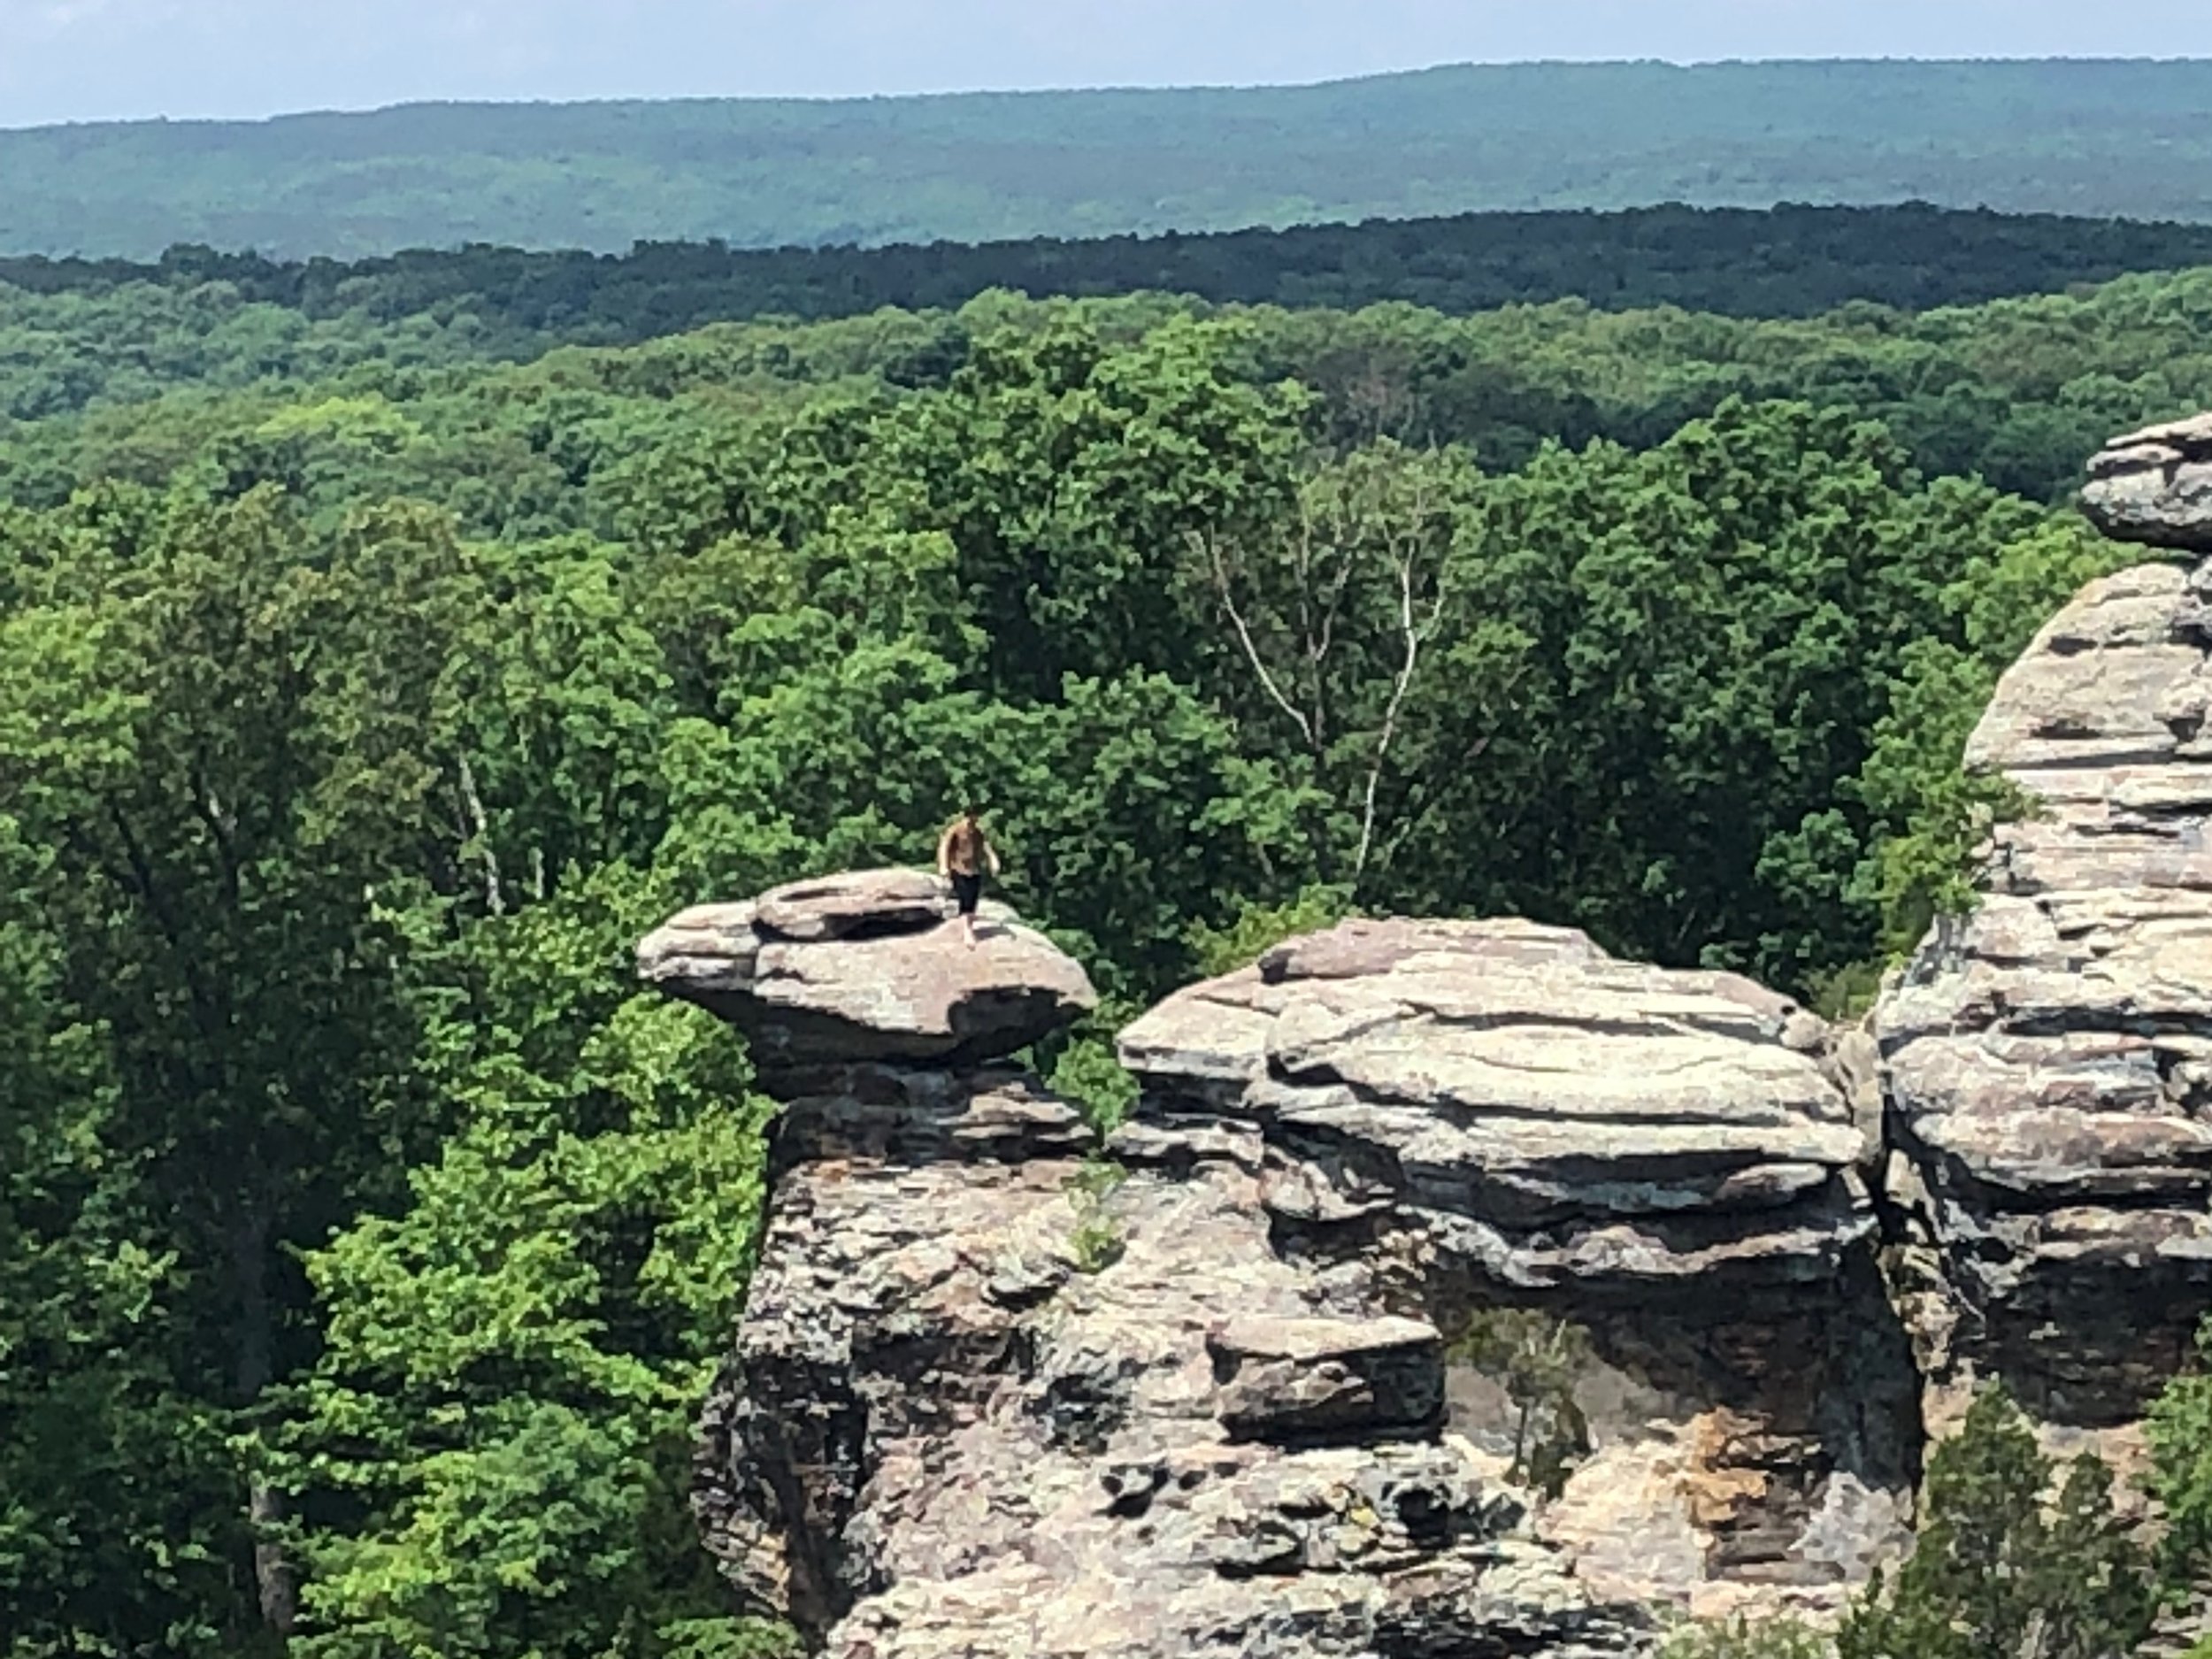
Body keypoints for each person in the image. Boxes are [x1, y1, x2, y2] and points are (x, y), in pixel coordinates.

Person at [934, 805, 1001, 945]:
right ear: (966, 816)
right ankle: (967, 931)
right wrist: (943, 865)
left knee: (972, 899)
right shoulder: (955, 830)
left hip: (974, 869)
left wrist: (993, 860)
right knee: (964, 897)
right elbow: (944, 846)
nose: (973, 820)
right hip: (958, 868)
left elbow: (985, 846)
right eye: (971, 817)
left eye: (975, 817)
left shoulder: (977, 832)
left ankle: (966, 926)